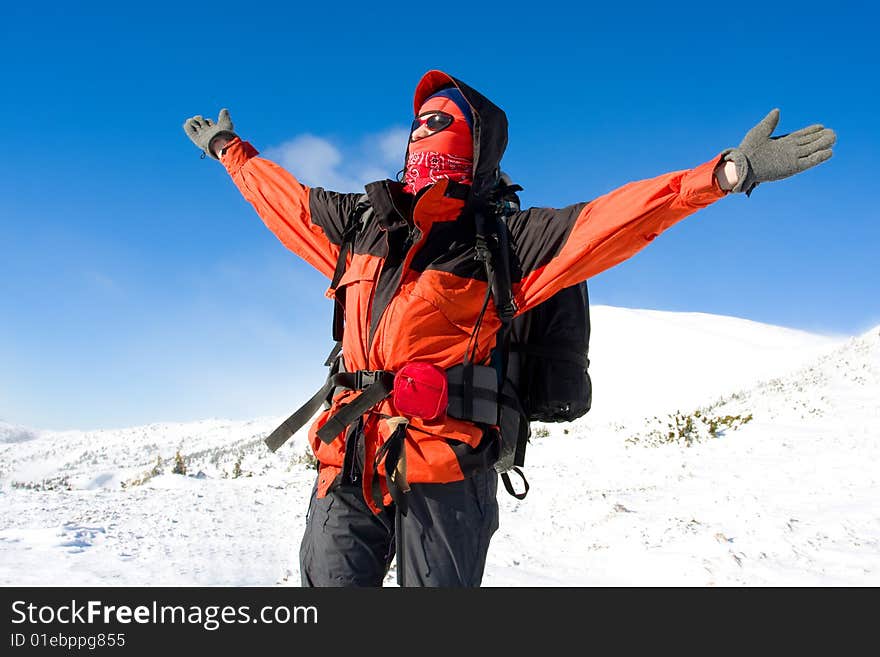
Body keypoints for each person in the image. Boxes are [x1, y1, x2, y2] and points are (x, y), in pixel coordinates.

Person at [183, 70, 835, 587]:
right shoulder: (361, 224)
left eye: (443, 123)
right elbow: (283, 199)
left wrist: (722, 175)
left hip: (445, 469)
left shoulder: (504, 243)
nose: (423, 135)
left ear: (476, 147)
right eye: (420, 123)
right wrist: (228, 150)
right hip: (348, 455)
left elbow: (616, 220)